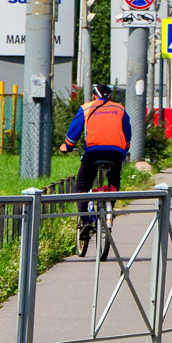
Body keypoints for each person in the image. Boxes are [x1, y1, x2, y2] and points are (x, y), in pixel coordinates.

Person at [59, 84, 131, 240]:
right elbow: (127, 134)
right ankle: (109, 208)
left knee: (82, 186)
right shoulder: (120, 109)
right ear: (110, 97)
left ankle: (85, 221)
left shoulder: (86, 108)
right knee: (114, 180)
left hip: (93, 152)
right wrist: (123, 151)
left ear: (93, 96)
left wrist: (68, 146)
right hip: (115, 154)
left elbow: (74, 133)